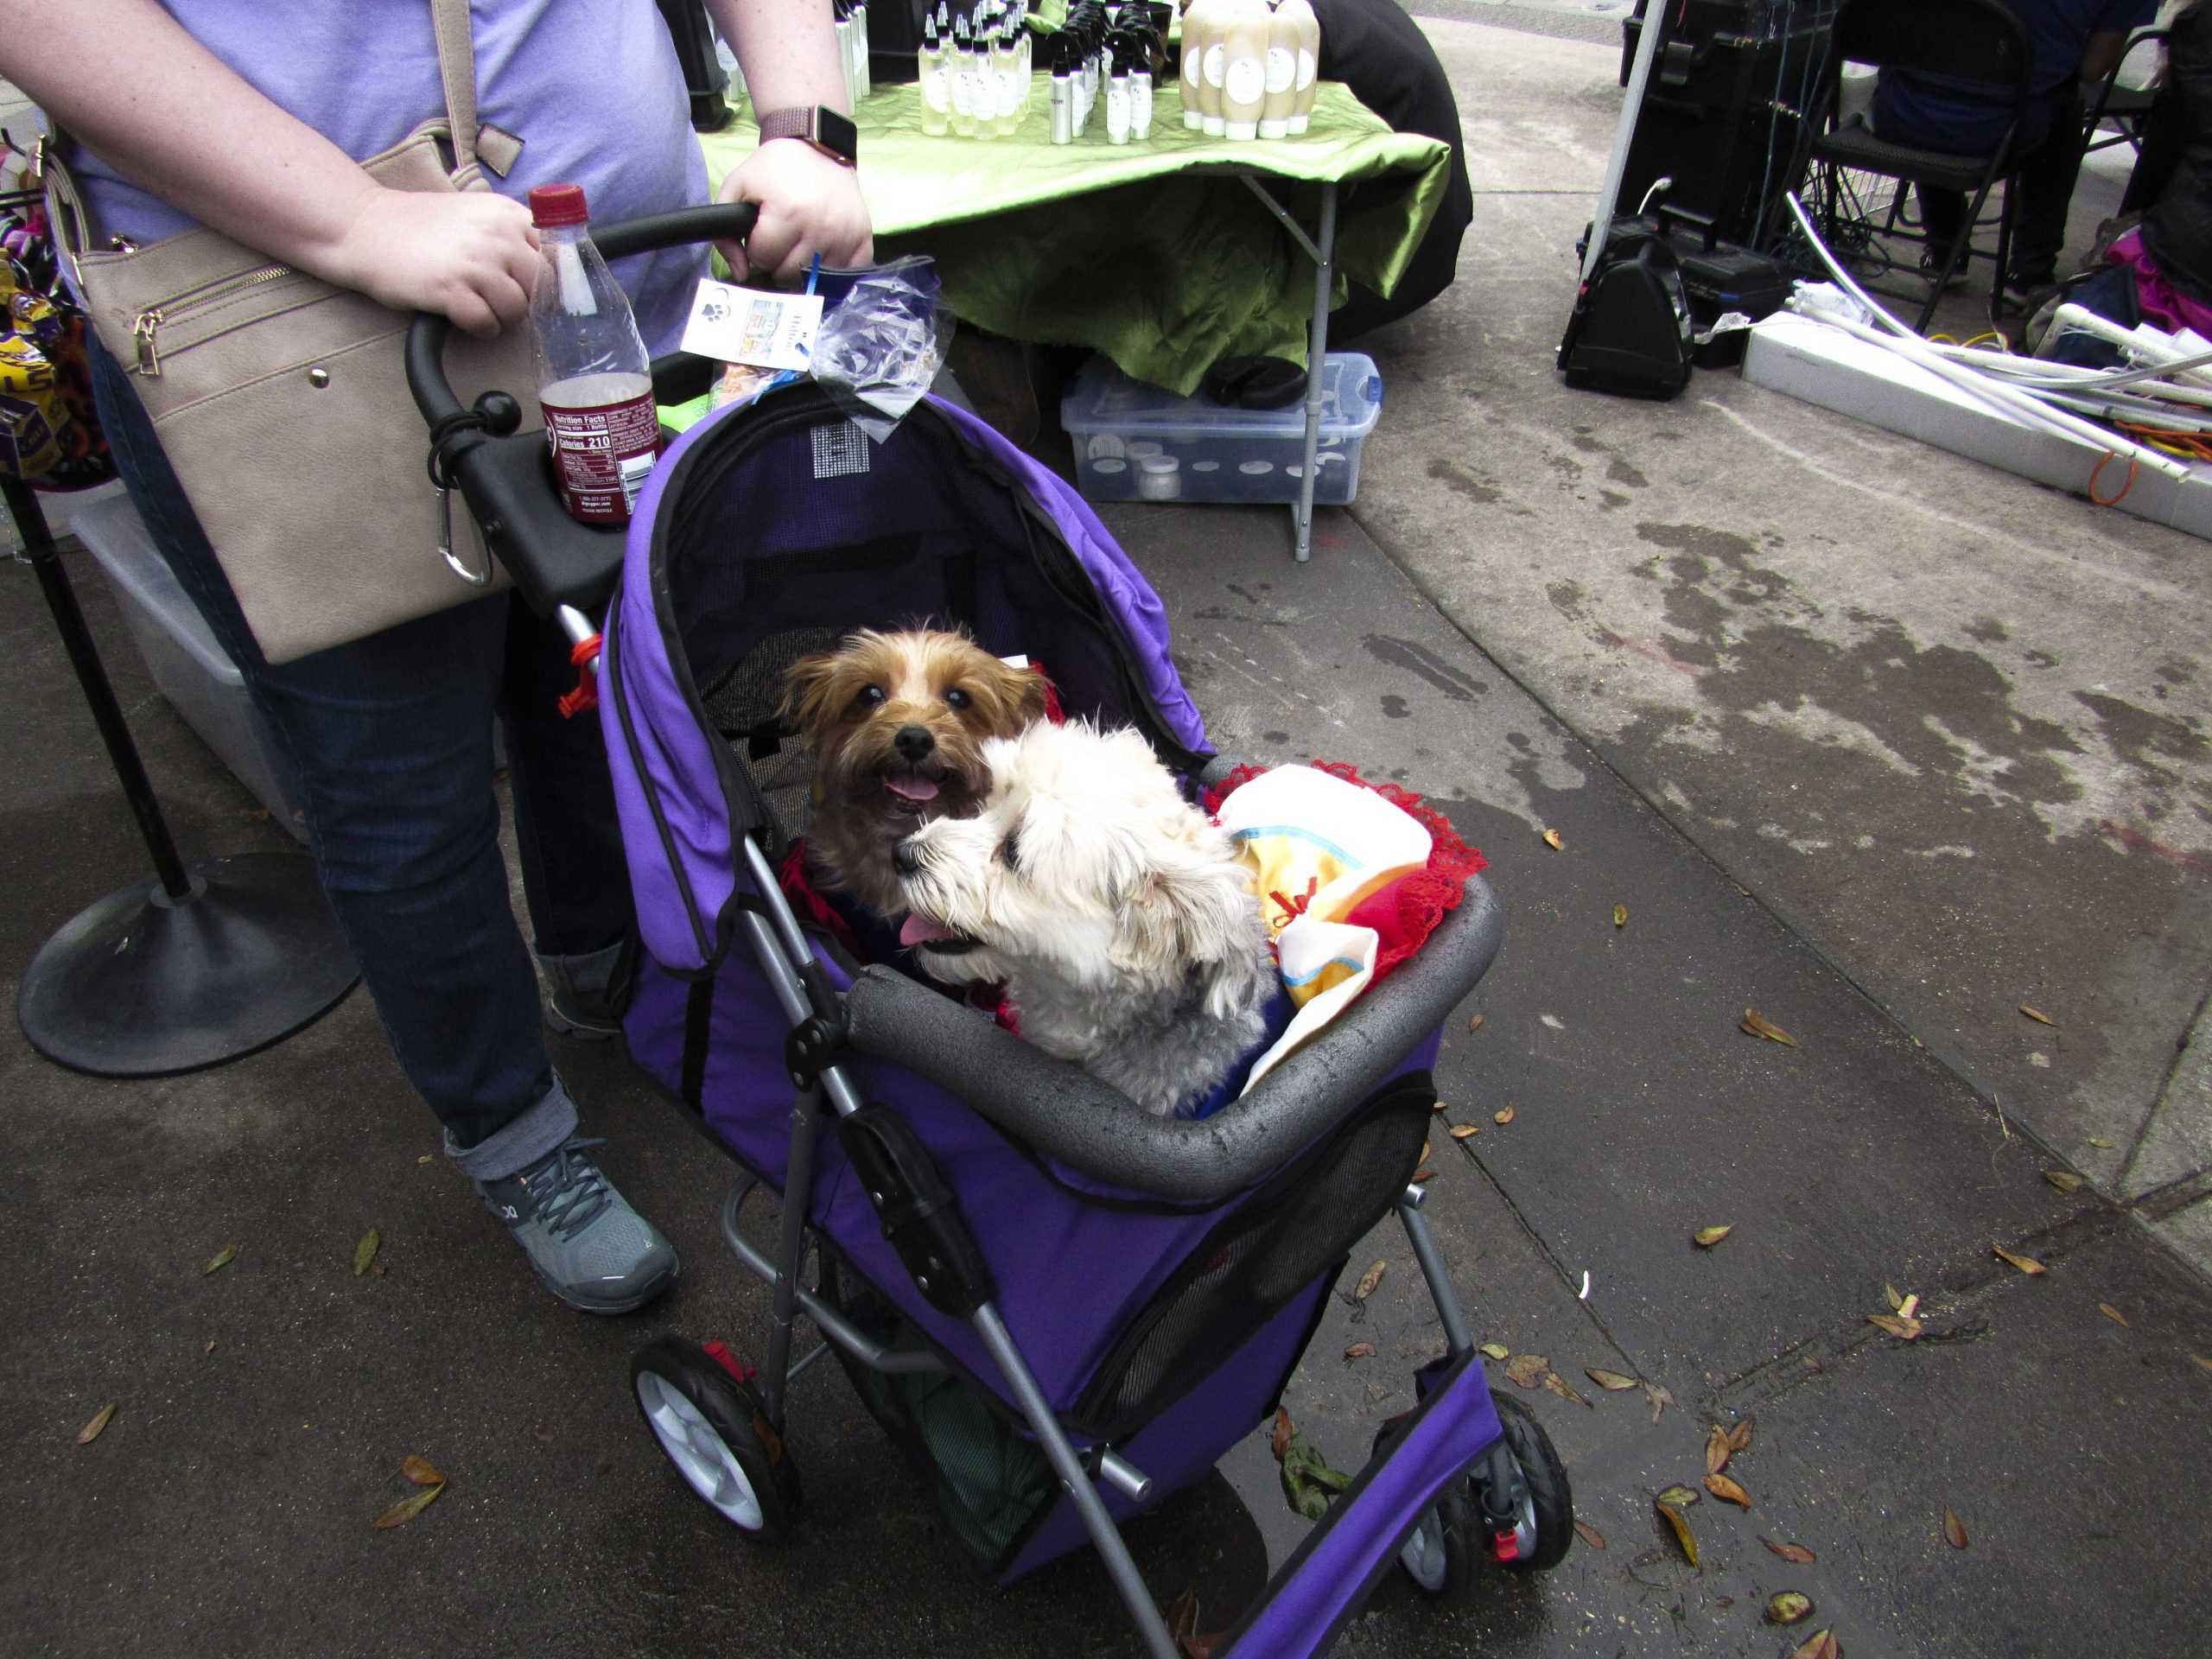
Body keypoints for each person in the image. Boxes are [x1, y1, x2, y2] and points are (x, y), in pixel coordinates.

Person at [1, 0, 872, 1314]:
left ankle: (609, 971)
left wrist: (808, 124)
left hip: (607, 291)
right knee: (399, 788)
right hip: (291, 323)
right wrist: (353, 221)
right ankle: (511, 1131)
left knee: (604, 686)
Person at [1870, 0, 2155, 297]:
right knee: (2061, 101)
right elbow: (2092, 69)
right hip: (2005, 129)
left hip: (1902, 116)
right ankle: (2029, 272)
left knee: (1942, 85)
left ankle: (1944, 246)